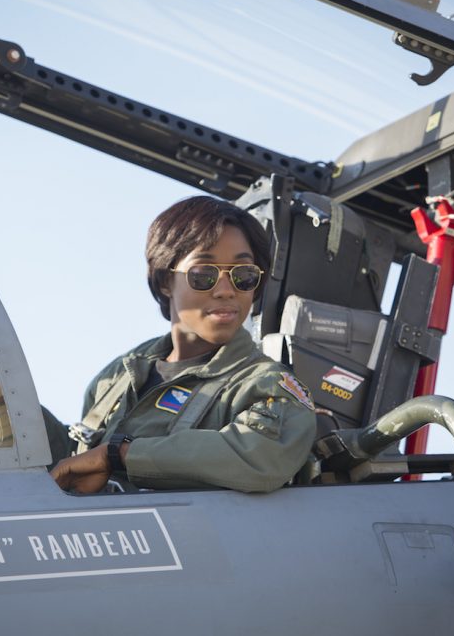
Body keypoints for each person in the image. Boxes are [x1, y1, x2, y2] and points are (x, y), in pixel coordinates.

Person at [49, 196, 316, 494]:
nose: (227, 291)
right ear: (165, 280)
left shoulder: (266, 385)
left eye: (243, 275)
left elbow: (261, 455)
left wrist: (120, 455)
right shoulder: (122, 374)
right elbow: (75, 458)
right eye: (204, 274)